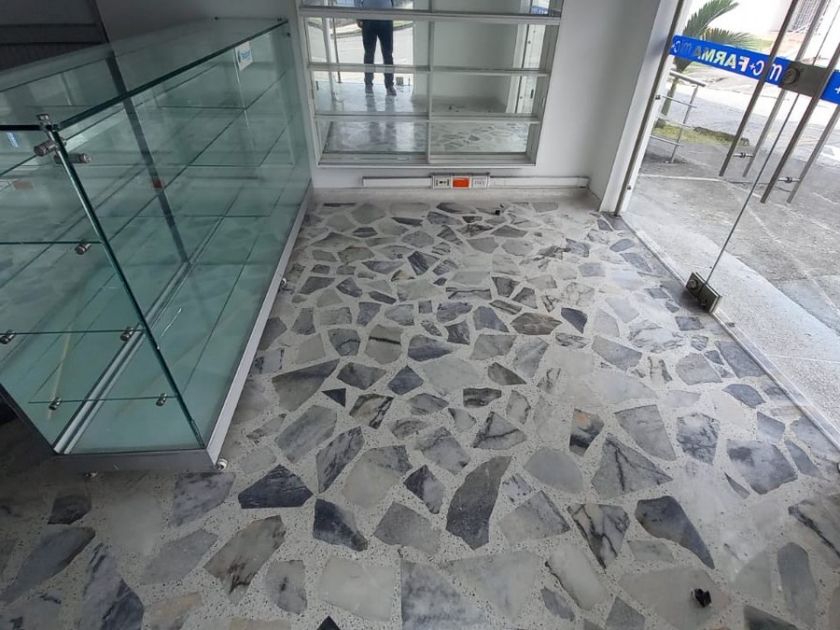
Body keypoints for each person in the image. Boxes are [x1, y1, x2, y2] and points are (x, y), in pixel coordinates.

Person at [354, 0, 397, 96]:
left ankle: (389, 85)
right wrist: (358, 14)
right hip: (368, 17)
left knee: (388, 53)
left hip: (386, 16)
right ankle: (368, 84)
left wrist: (392, 9)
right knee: (369, 53)